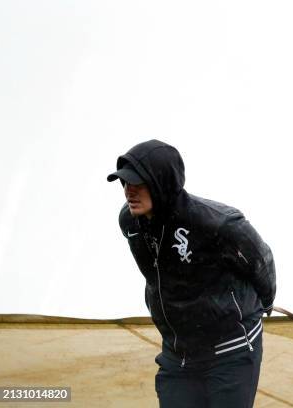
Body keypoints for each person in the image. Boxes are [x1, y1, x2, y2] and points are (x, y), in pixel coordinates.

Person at [107, 139, 276, 407]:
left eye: (137, 183)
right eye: (125, 183)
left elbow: (261, 260)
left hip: (230, 351)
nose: (129, 191)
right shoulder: (130, 221)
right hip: (178, 355)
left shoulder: (218, 222)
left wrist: (265, 302)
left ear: (161, 182)